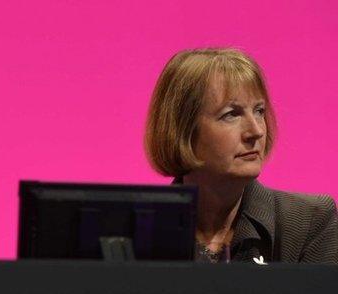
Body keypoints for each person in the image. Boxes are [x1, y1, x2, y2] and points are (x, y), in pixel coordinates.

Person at [144, 48, 338, 263]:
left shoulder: (309, 222)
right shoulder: (139, 231)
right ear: (182, 130)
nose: (256, 131)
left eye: (259, 111)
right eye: (231, 114)